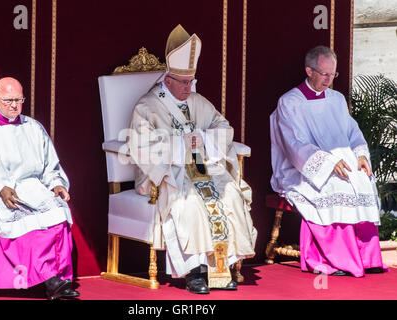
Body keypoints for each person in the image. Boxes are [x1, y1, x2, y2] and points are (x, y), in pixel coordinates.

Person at [126, 25, 257, 294]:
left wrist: (205, 139)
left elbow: (224, 128)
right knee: (191, 202)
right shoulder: (147, 106)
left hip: (203, 168)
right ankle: (195, 273)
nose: (189, 88)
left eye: (191, 82)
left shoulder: (198, 102)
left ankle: (220, 269)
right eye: (184, 83)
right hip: (167, 172)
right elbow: (140, 146)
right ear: (168, 81)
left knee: (229, 193)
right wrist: (180, 144)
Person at [270, 45, 388, 277]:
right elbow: (295, 145)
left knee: (363, 180)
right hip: (302, 169)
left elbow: (352, 132)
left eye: (333, 74)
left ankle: (366, 257)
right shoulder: (290, 102)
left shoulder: (337, 100)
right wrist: (326, 163)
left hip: (342, 161)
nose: (329, 80)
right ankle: (338, 259)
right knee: (335, 184)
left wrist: (361, 155)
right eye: (324, 74)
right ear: (309, 70)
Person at [0, 77, 79, 299]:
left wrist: (56, 184)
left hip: (32, 187)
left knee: (58, 211)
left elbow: (49, 164)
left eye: (18, 99)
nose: (14, 105)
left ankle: (60, 279)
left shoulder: (33, 127)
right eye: (8, 100)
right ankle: (48, 280)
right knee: (21, 218)